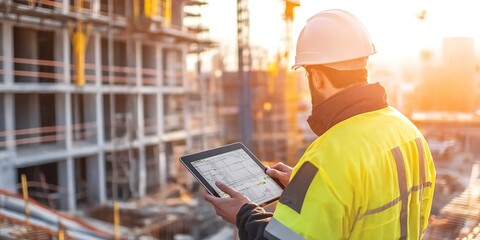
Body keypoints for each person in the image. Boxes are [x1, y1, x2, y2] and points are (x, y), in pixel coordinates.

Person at [204, 9, 436, 239]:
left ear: (316, 76)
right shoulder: (407, 130)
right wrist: (312, 188)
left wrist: (243, 215)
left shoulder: (328, 155)